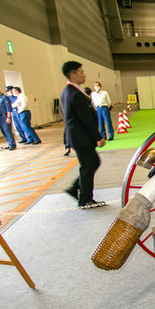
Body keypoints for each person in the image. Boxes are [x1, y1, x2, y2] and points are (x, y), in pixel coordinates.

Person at [60, 61, 106, 209]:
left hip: (79, 137)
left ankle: (75, 188)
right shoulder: (74, 94)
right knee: (87, 167)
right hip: (82, 137)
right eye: (81, 72)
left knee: (92, 164)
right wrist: (98, 137)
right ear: (72, 75)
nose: (84, 75)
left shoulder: (71, 91)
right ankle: (85, 199)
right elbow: (85, 119)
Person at [0, 85, 16, 150]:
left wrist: (8, 117)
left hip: (5, 116)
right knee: (3, 131)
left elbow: (8, 108)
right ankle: (9, 143)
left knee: (7, 130)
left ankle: (12, 144)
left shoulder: (4, 98)